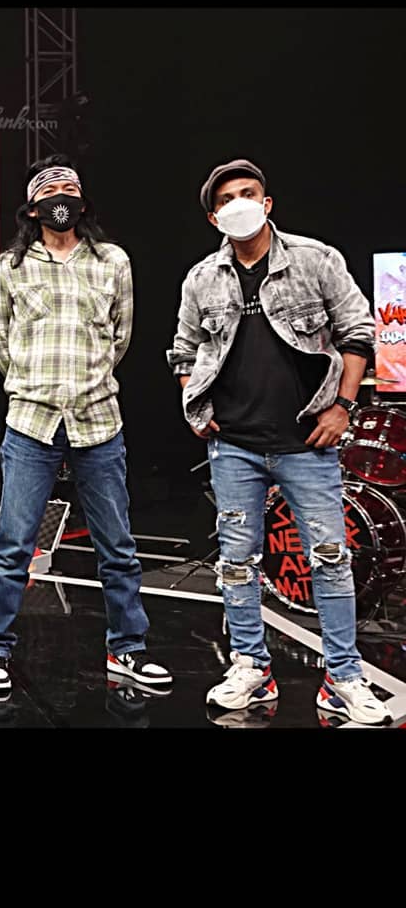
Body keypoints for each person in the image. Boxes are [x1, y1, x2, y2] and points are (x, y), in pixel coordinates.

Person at [168, 157, 392, 725]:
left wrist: (343, 408)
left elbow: (357, 332)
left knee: (331, 558)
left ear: (267, 203)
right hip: (234, 445)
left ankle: (342, 678)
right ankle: (251, 667)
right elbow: (184, 352)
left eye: (248, 193)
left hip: (307, 442)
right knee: (237, 562)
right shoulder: (202, 278)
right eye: (225, 199)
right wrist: (195, 407)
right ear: (214, 217)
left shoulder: (316, 259)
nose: (238, 204)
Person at [0, 155, 172, 703]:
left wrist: (86, 380)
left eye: (70, 188)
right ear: (32, 207)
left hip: (98, 419)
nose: (61, 197)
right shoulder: (10, 267)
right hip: (31, 421)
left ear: (83, 203)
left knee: (118, 544)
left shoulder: (112, 261)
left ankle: (128, 647)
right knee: (13, 545)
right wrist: (33, 384)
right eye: (50, 189)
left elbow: (120, 337)